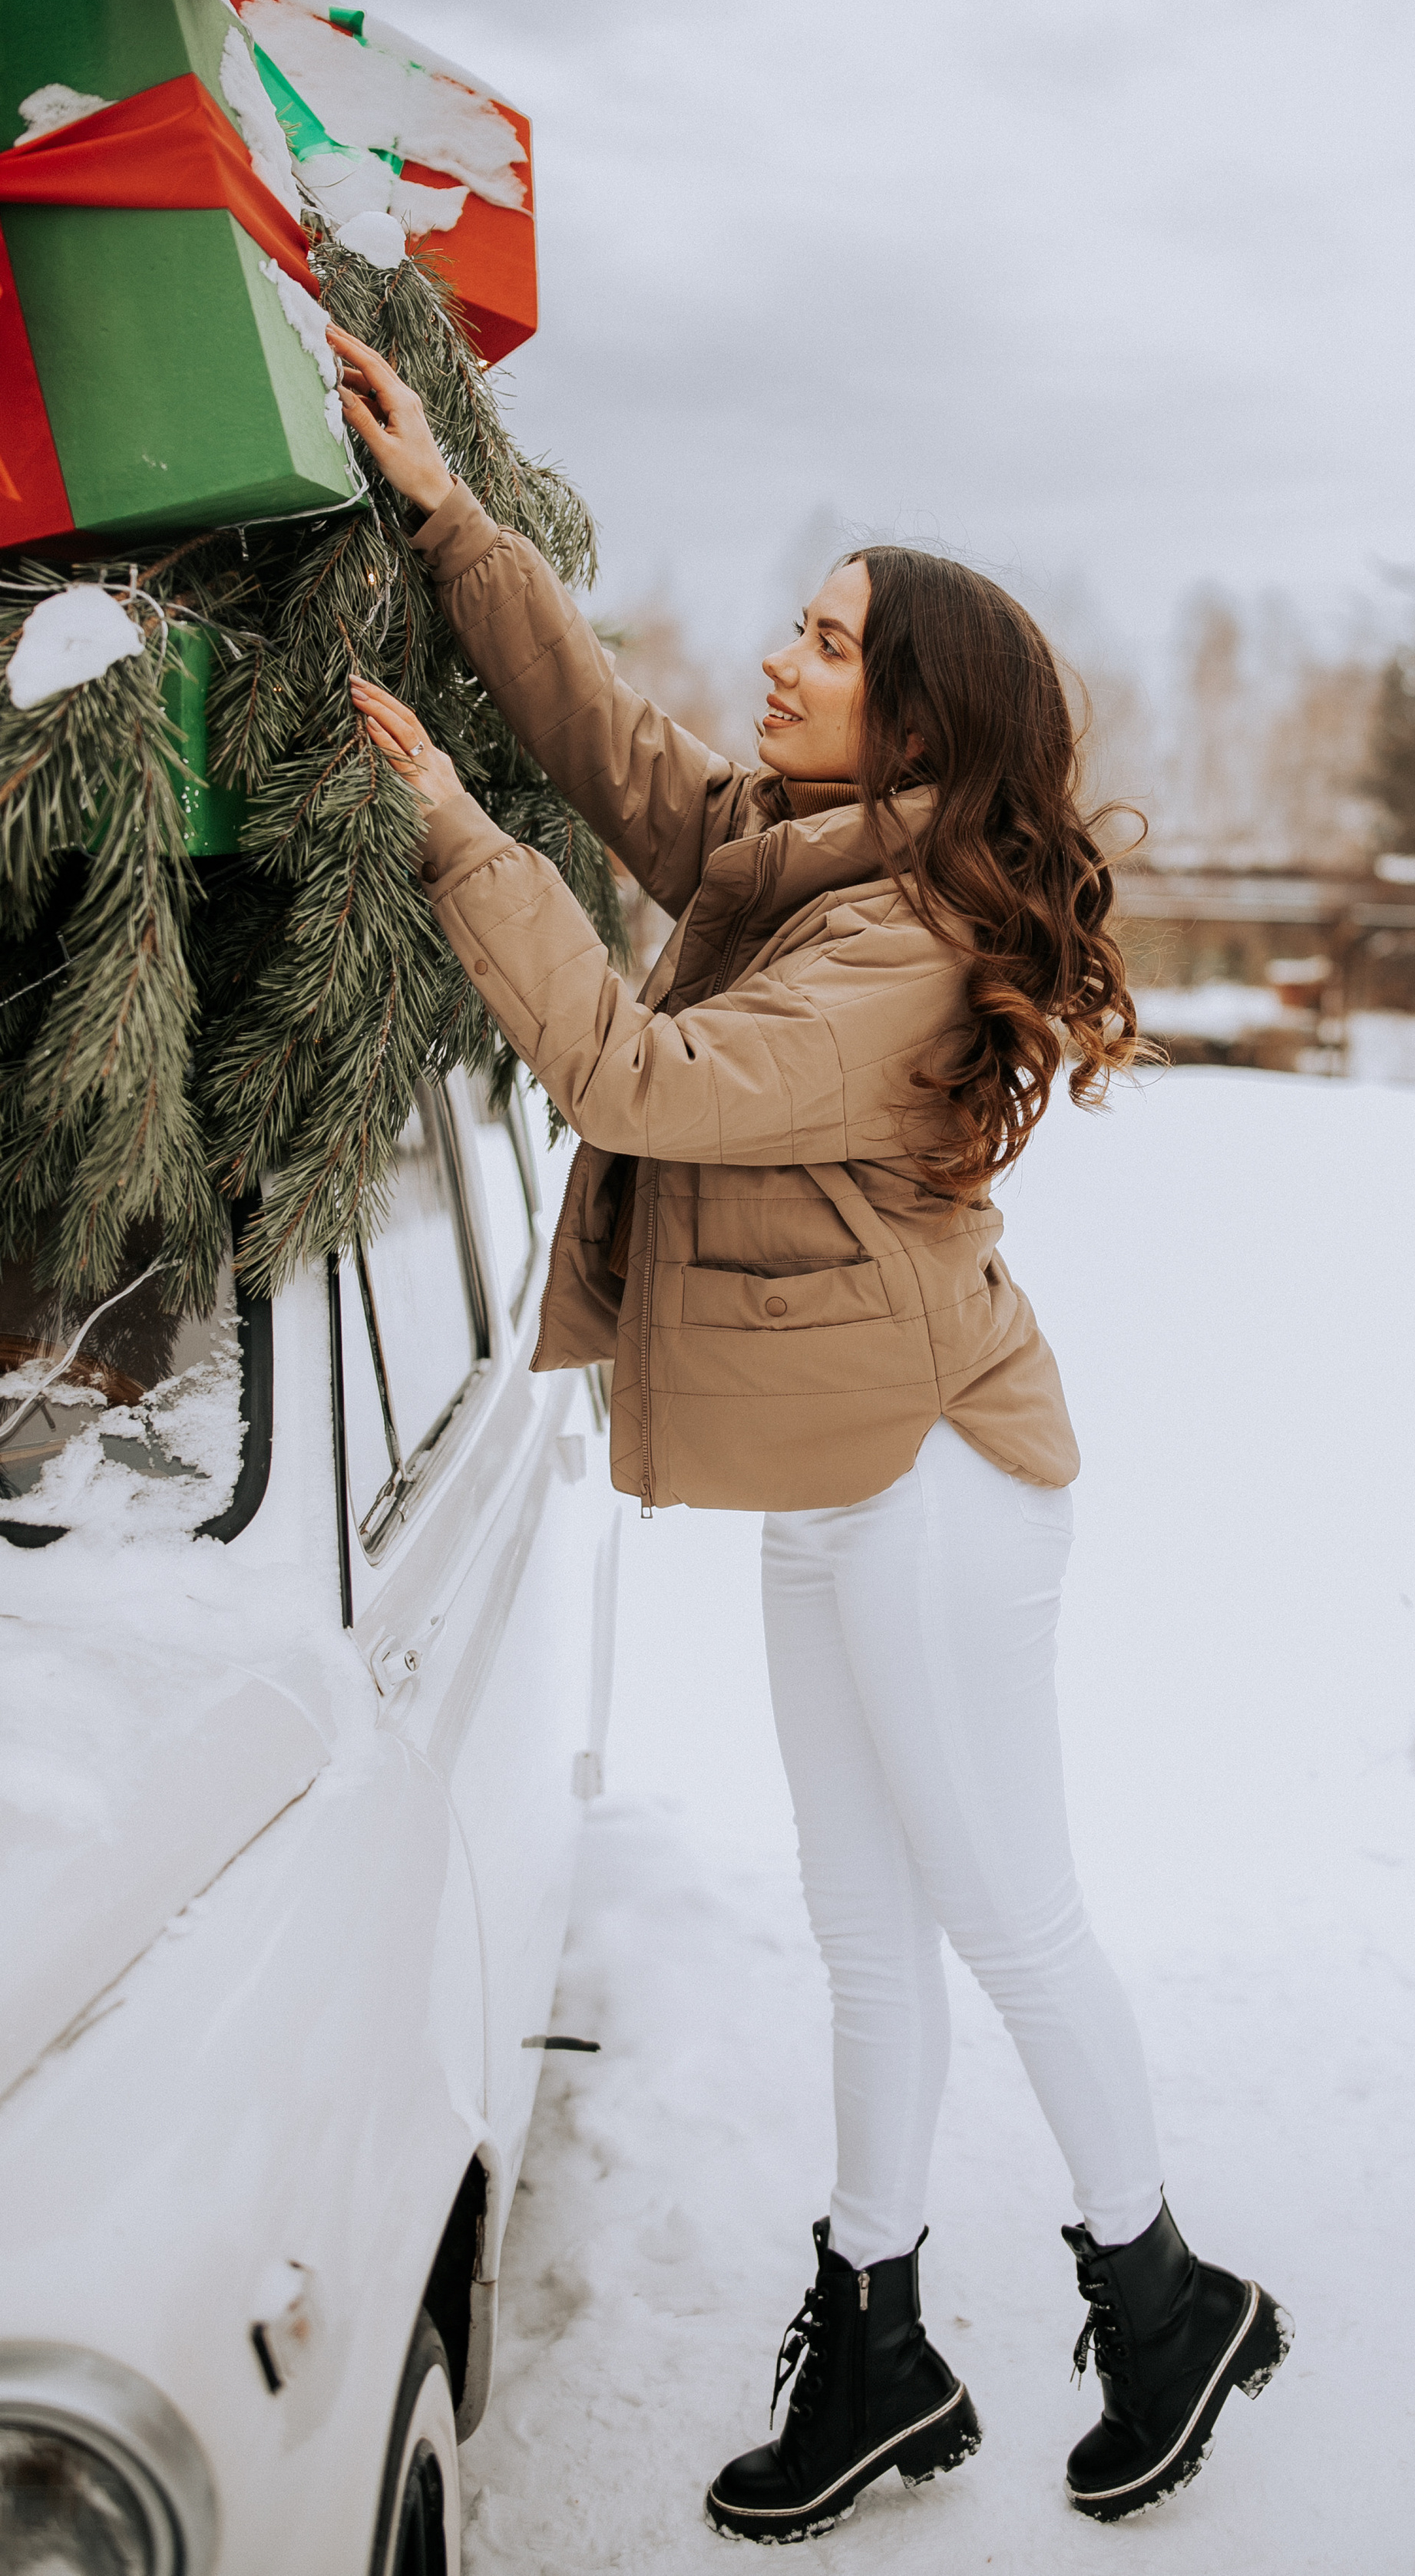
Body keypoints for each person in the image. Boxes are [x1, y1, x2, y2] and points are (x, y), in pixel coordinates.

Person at [329, 324, 1289, 2541]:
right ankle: (880, 2344)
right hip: (839, 1460)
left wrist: (456, 834)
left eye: (830, 642)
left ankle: (1164, 2299)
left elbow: (639, 1081)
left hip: (937, 1481)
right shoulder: (811, 853)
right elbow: (627, 759)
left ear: (917, 723)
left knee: (1005, 1911)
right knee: (868, 1929)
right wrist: (449, 522)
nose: (779, 657)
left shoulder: (910, 946)